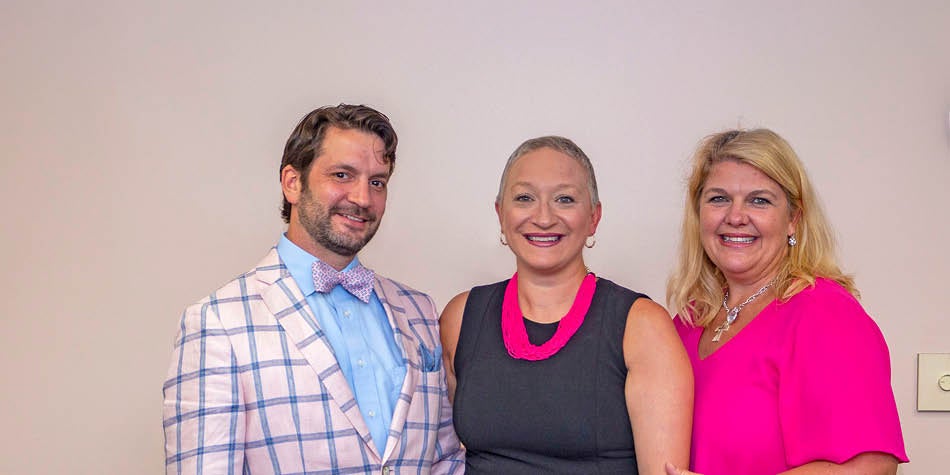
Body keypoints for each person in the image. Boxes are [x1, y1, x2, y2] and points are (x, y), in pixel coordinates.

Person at [162, 104, 464, 474]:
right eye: (342, 175)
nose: (362, 198)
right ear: (292, 182)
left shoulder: (418, 310)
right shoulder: (218, 323)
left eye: (377, 182)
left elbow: (446, 459)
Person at [440, 136, 693, 474]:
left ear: (593, 217)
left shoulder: (643, 327)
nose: (543, 218)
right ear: (501, 214)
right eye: (525, 198)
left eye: (565, 199)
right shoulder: (461, 318)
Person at [664, 129, 908, 475]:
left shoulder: (824, 314)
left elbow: (870, 467)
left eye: (759, 200)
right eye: (718, 199)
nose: (735, 216)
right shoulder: (689, 322)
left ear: (793, 219)